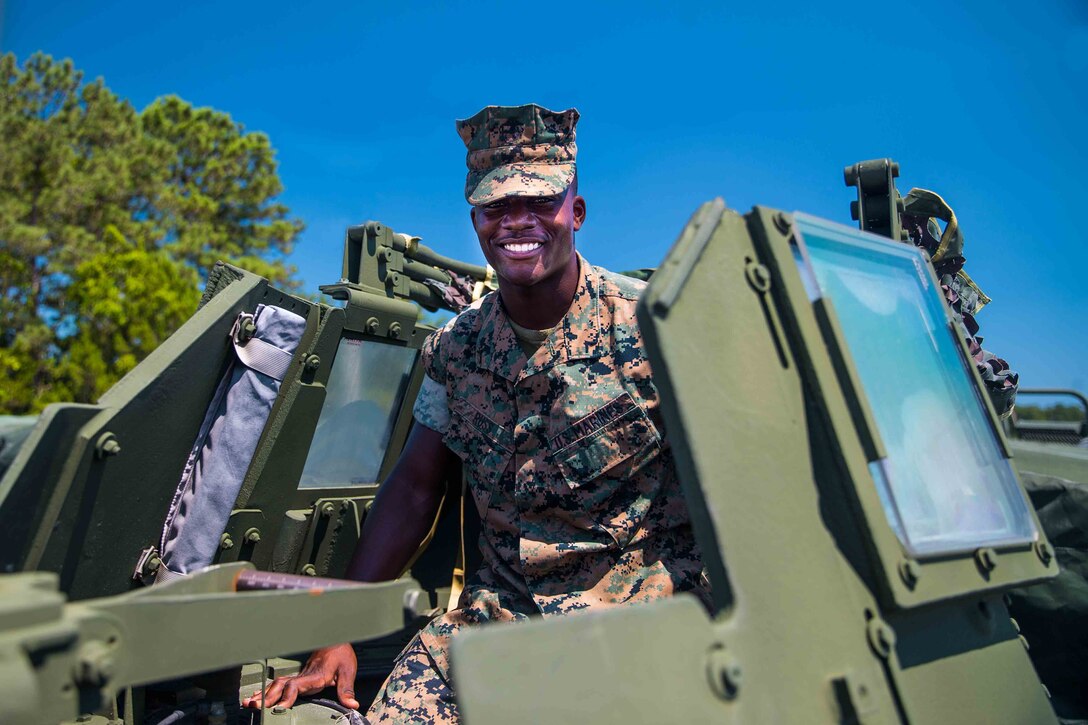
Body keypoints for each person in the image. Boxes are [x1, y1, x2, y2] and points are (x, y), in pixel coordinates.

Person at [245, 104, 708, 722]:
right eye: (496, 207)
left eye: (541, 202)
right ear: (476, 221)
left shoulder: (656, 328)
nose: (518, 222)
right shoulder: (457, 350)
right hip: (501, 619)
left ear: (577, 211)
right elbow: (415, 488)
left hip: (643, 616)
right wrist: (340, 627)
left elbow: (740, 487)